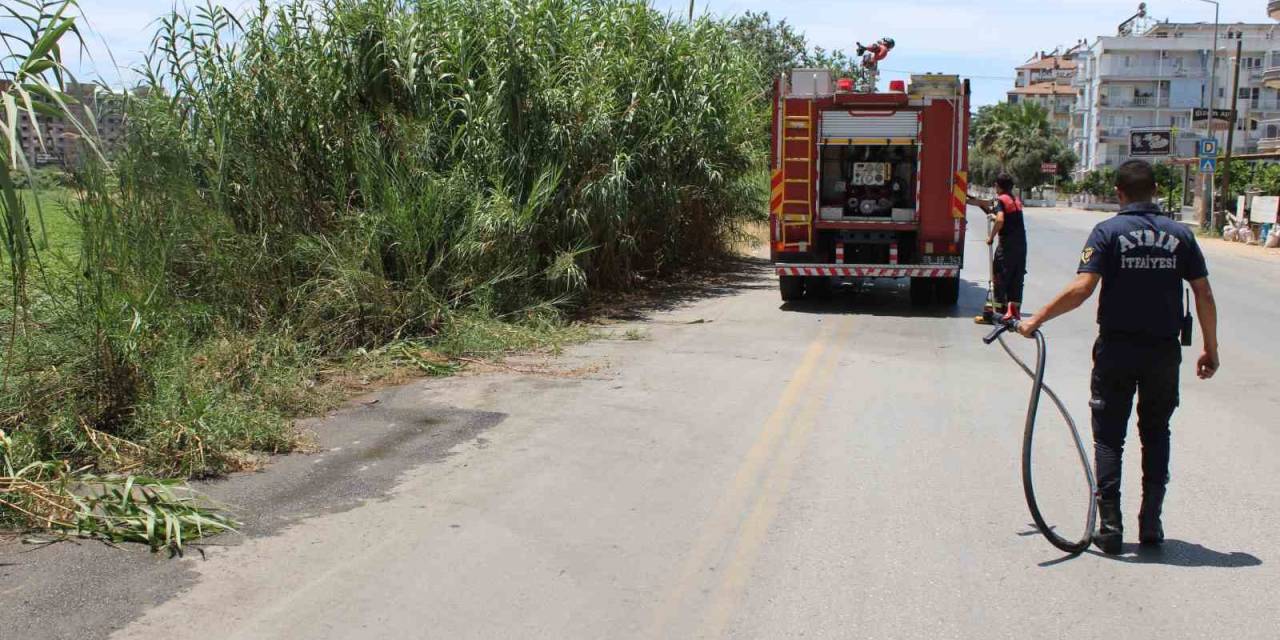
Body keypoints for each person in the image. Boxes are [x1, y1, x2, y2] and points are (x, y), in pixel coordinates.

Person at [1017, 159, 1219, 554]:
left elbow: (1083, 288)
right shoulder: (1181, 235)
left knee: (1109, 438)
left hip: (1117, 349)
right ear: (1155, 190)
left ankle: (1110, 527)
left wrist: (1035, 320)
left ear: (1118, 193)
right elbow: (1204, 294)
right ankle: (1151, 523)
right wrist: (1211, 348)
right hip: (1163, 351)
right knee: (1156, 433)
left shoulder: (1108, 232)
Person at [984, 173, 1027, 322]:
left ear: (999, 186)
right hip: (1021, 247)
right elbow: (1009, 219)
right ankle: (1013, 314)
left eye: (995, 185)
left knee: (999, 278)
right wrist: (994, 216)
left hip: (1007, 247)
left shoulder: (1000, 200)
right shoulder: (1015, 200)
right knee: (1016, 279)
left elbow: (1001, 220)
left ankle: (995, 314)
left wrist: (991, 237)